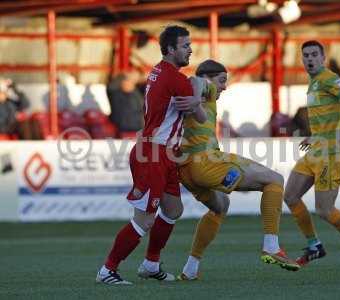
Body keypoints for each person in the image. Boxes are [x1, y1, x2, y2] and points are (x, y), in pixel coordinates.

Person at [96, 25, 207, 285]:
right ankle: (107, 270)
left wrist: (194, 91)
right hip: (153, 154)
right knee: (144, 220)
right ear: (170, 49)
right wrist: (199, 92)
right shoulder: (174, 78)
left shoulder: (159, 71)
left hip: (164, 154)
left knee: (173, 209)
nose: (190, 49)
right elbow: (200, 118)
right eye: (185, 45)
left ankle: (150, 264)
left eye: (190, 45)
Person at [176, 59, 300, 281]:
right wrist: (197, 96)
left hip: (185, 171)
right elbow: (196, 80)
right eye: (222, 80)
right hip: (207, 162)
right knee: (275, 180)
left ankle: (190, 268)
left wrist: (194, 98)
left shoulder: (184, 95)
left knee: (220, 206)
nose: (224, 86)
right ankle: (271, 246)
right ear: (210, 79)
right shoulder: (203, 88)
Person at [284, 40, 340, 267]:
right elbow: (327, 116)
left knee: (324, 210)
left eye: (314, 54)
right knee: (290, 196)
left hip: (331, 154)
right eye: (305, 55)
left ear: (323, 58)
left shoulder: (327, 78)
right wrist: (315, 136)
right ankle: (315, 245)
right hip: (316, 150)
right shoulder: (314, 83)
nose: (309, 59)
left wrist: (338, 129)